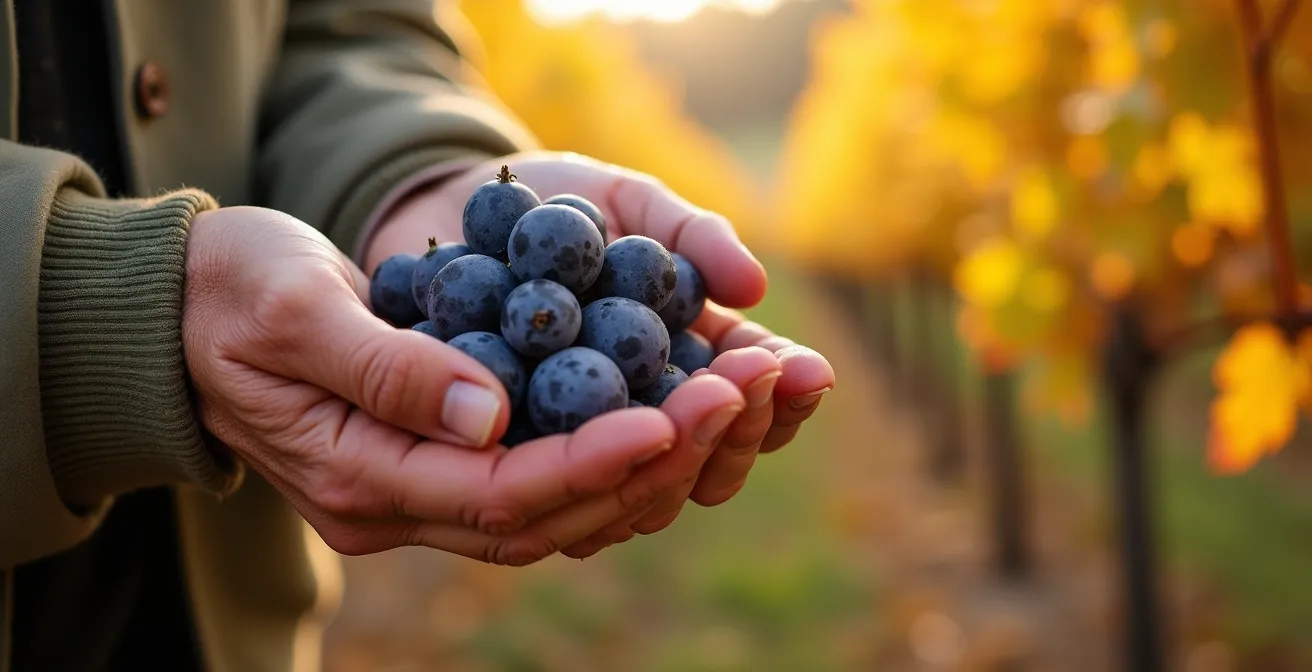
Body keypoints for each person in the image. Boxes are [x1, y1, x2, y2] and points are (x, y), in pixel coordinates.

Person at [0, 1, 836, 670]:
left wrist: (408, 171)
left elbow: (347, 29)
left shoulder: (525, 289)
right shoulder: (535, 307)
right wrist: (98, 302)